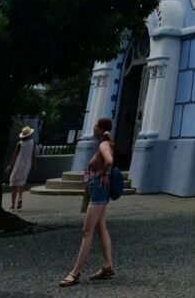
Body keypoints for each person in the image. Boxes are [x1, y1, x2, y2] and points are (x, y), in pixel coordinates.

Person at [59, 118, 116, 287]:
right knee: (101, 227)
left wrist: (104, 174)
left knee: (87, 231)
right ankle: (107, 266)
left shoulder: (103, 145)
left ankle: (75, 273)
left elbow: (109, 162)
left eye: (95, 125)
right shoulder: (105, 143)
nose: (93, 128)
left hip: (98, 189)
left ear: (100, 128)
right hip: (98, 188)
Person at [5, 125, 37, 211]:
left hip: (19, 164)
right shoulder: (32, 142)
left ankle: (12, 205)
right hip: (27, 164)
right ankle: (20, 197)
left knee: (14, 184)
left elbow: (14, 155)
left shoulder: (20, 144)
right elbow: (33, 154)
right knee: (21, 182)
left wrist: (9, 166)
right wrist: (33, 165)